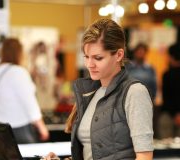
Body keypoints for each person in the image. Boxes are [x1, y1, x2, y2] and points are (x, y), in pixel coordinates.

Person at [45, 18, 154, 160]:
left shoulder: (135, 93)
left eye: (98, 58)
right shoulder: (90, 92)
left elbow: (144, 157)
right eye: (87, 57)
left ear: (119, 55)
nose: (90, 64)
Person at [0, 38, 49, 144]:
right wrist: (41, 126)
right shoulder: (19, 72)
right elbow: (29, 102)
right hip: (19, 129)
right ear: (19, 53)